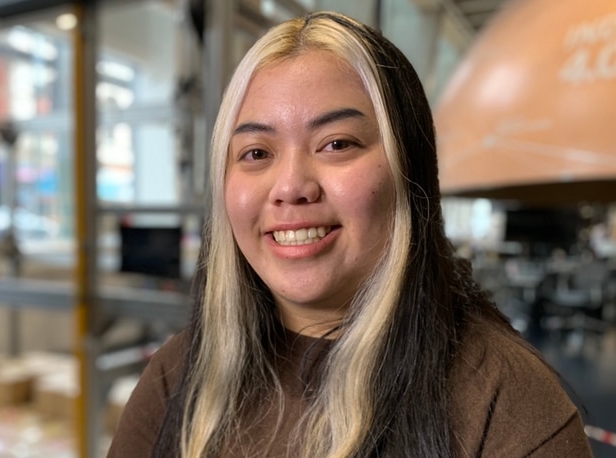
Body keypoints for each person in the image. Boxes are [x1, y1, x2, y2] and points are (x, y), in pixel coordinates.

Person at [108, 11, 592, 458]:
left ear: (410, 172)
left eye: (337, 144)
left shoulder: (507, 404)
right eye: (256, 153)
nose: (292, 187)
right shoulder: (180, 375)